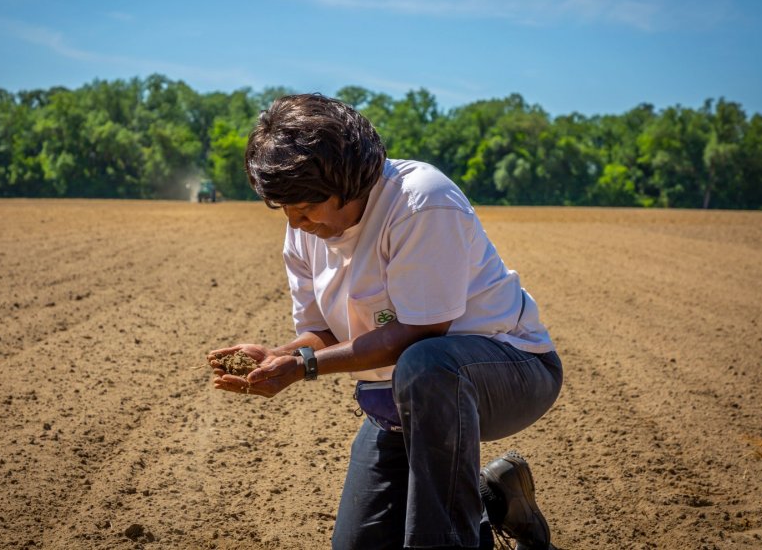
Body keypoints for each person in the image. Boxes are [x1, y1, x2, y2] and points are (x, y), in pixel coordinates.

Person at [208, 94, 562, 550]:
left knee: (428, 365)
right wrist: (280, 356)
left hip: (510, 371)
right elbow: (326, 332)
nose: (296, 223)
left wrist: (304, 368)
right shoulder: (302, 232)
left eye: (305, 208)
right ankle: (497, 498)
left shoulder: (421, 202)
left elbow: (420, 333)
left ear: (347, 182)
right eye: (285, 211)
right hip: (403, 403)